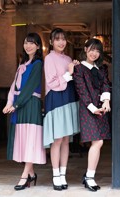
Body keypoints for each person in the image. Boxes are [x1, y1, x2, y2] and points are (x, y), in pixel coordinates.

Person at [3, 32, 46, 191]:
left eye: (32, 43)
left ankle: (24, 176)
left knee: (30, 141)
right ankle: (31, 174)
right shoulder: (22, 65)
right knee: (23, 140)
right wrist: (9, 103)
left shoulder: (38, 64)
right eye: (26, 43)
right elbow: (14, 87)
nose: (28, 46)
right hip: (20, 106)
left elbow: (29, 88)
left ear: (37, 46)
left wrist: (16, 104)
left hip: (30, 105)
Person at [43, 28, 80, 191]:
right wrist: (69, 72)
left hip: (68, 97)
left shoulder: (68, 58)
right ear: (51, 42)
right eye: (57, 39)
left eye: (63, 39)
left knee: (66, 139)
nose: (61, 42)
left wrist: (74, 68)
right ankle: (55, 175)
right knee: (57, 139)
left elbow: (72, 78)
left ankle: (63, 174)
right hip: (56, 98)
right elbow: (51, 83)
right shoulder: (49, 58)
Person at [73, 38, 111, 192]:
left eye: (98, 51)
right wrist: (92, 107)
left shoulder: (101, 68)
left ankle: (89, 176)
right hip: (88, 108)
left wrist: (106, 101)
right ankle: (89, 177)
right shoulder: (79, 68)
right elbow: (81, 89)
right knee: (98, 142)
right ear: (85, 48)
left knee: (98, 142)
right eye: (92, 49)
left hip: (101, 107)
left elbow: (105, 84)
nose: (94, 53)